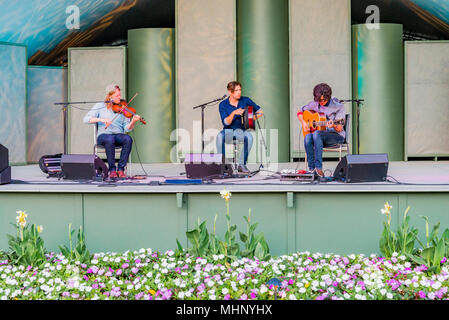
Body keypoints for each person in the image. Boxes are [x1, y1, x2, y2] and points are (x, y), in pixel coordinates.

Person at [83, 84, 141, 179]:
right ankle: (112, 169)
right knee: (110, 139)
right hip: (104, 136)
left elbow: (127, 128)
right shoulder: (100, 106)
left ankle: (121, 169)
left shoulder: (123, 108)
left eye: (119, 95)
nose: (119, 97)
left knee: (128, 139)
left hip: (118, 135)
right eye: (117, 96)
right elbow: (86, 119)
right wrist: (101, 120)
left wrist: (133, 122)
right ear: (110, 96)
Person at [297, 83, 345, 177]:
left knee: (317, 133)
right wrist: (303, 122)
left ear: (329, 96)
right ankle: (312, 170)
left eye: (324, 100)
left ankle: (318, 168)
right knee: (308, 136)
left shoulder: (338, 106)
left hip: (335, 137)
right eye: (319, 100)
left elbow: (339, 129)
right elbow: (300, 112)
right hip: (318, 138)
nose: (321, 102)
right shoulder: (314, 104)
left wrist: (334, 125)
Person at [216, 81, 263, 173]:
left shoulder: (246, 100)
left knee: (249, 137)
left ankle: (242, 164)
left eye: (240, 90)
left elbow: (260, 112)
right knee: (219, 136)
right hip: (228, 131)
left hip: (241, 131)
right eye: (236, 90)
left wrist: (251, 118)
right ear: (230, 92)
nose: (239, 92)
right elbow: (226, 122)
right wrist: (234, 113)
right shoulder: (223, 104)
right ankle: (223, 165)